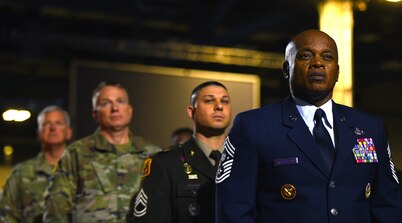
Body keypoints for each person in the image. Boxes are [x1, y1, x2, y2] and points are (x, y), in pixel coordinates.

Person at [215, 29, 402, 223]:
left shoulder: (370, 128)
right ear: (287, 69)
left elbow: (387, 206)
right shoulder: (254, 126)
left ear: (337, 72)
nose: (318, 63)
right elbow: (234, 210)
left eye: (327, 57)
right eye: (306, 56)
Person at [43, 81, 160, 222]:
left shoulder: (153, 154)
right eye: (106, 103)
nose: (115, 108)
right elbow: (56, 210)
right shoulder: (77, 153)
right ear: (95, 113)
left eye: (120, 101)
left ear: (129, 110)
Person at [127, 81, 232, 223]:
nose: (219, 107)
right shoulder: (165, 163)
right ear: (191, 111)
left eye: (225, 101)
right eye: (209, 100)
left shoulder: (246, 161)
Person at [0, 105, 72, 223]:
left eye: (58, 123)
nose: (52, 128)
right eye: (46, 124)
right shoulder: (21, 174)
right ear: (39, 132)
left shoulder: (82, 170)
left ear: (68, 132)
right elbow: (6, 216)